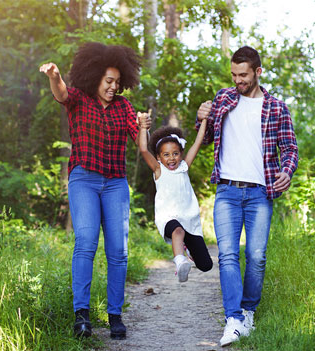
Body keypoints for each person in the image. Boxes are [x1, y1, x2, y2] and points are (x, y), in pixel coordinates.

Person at [39, 42, 151, 340]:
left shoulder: (124, 107)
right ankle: (82, 317)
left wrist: (143, 126)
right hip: (84, 180)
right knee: (86, 242)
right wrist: (54, 75)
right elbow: (61, 92)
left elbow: (142, 145)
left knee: (118, 251)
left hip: (115, 183)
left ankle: (115, 315)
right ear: (95, 77)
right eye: (108, 81)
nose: (113, 87)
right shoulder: (79, 98)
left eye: (117, 82)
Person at [196, 46, 298, 346]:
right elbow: (207, 136)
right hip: (227, 190)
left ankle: (249, 311)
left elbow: (290, 149)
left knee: (256, 256)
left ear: (258, 72)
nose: (238, 80)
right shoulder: (224, 98)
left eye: (243, 75)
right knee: (227, 255)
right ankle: (233, 318)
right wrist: (201, 117)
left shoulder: (277, 108)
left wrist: (287, 172)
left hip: (260, 193)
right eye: (234, 74)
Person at [138, 114, 213, 282]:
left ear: (180, 154)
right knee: (177, 230)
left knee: (205, 265)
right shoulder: (159, 170)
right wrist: (143, 128)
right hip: (168, 217)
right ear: (158, 157)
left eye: (175, 153)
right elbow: (143, 149)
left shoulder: (184, 167)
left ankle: (187, 248)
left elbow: (198, 142)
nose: (171, 158)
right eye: (166, 155)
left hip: (189, 218)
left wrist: (204, 120)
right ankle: (180, 261)